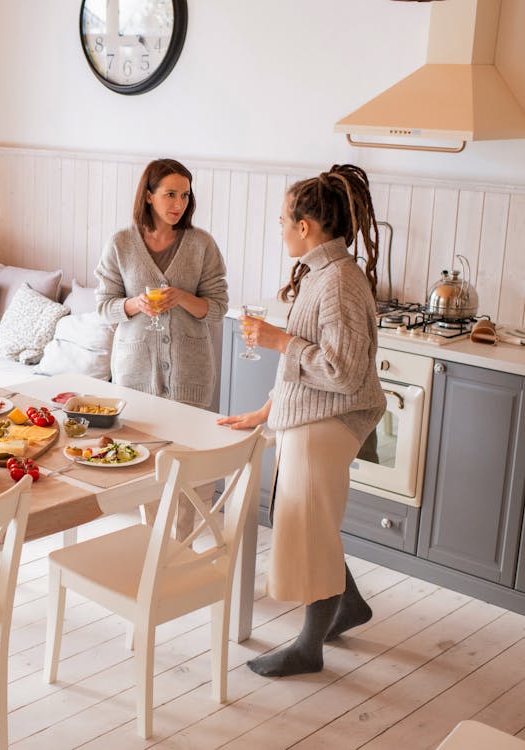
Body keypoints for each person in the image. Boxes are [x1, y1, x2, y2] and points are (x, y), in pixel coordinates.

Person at [217, 164, 385, 677]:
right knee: (313, 526)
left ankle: (308, 649)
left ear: (306, 226)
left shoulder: (337, 283)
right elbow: (304, 375)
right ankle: (348, 607)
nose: (281, 229)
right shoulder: (323, 274)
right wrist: (268, 411)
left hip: (329, 427)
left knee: (310, 534)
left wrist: (278, 341)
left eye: (283, 220)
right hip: (310, 421)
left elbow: (343, 372)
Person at [94, 158, 228, 409]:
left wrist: (182, 297)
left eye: (185, 195)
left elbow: (218, 308)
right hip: (134, 375)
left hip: (189, 376)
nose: (180, 204)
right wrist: (135, 304)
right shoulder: (120, 244)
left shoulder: (202, 244)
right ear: (148, 196)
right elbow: (103, 308)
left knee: (186, 448)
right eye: (170, 194)